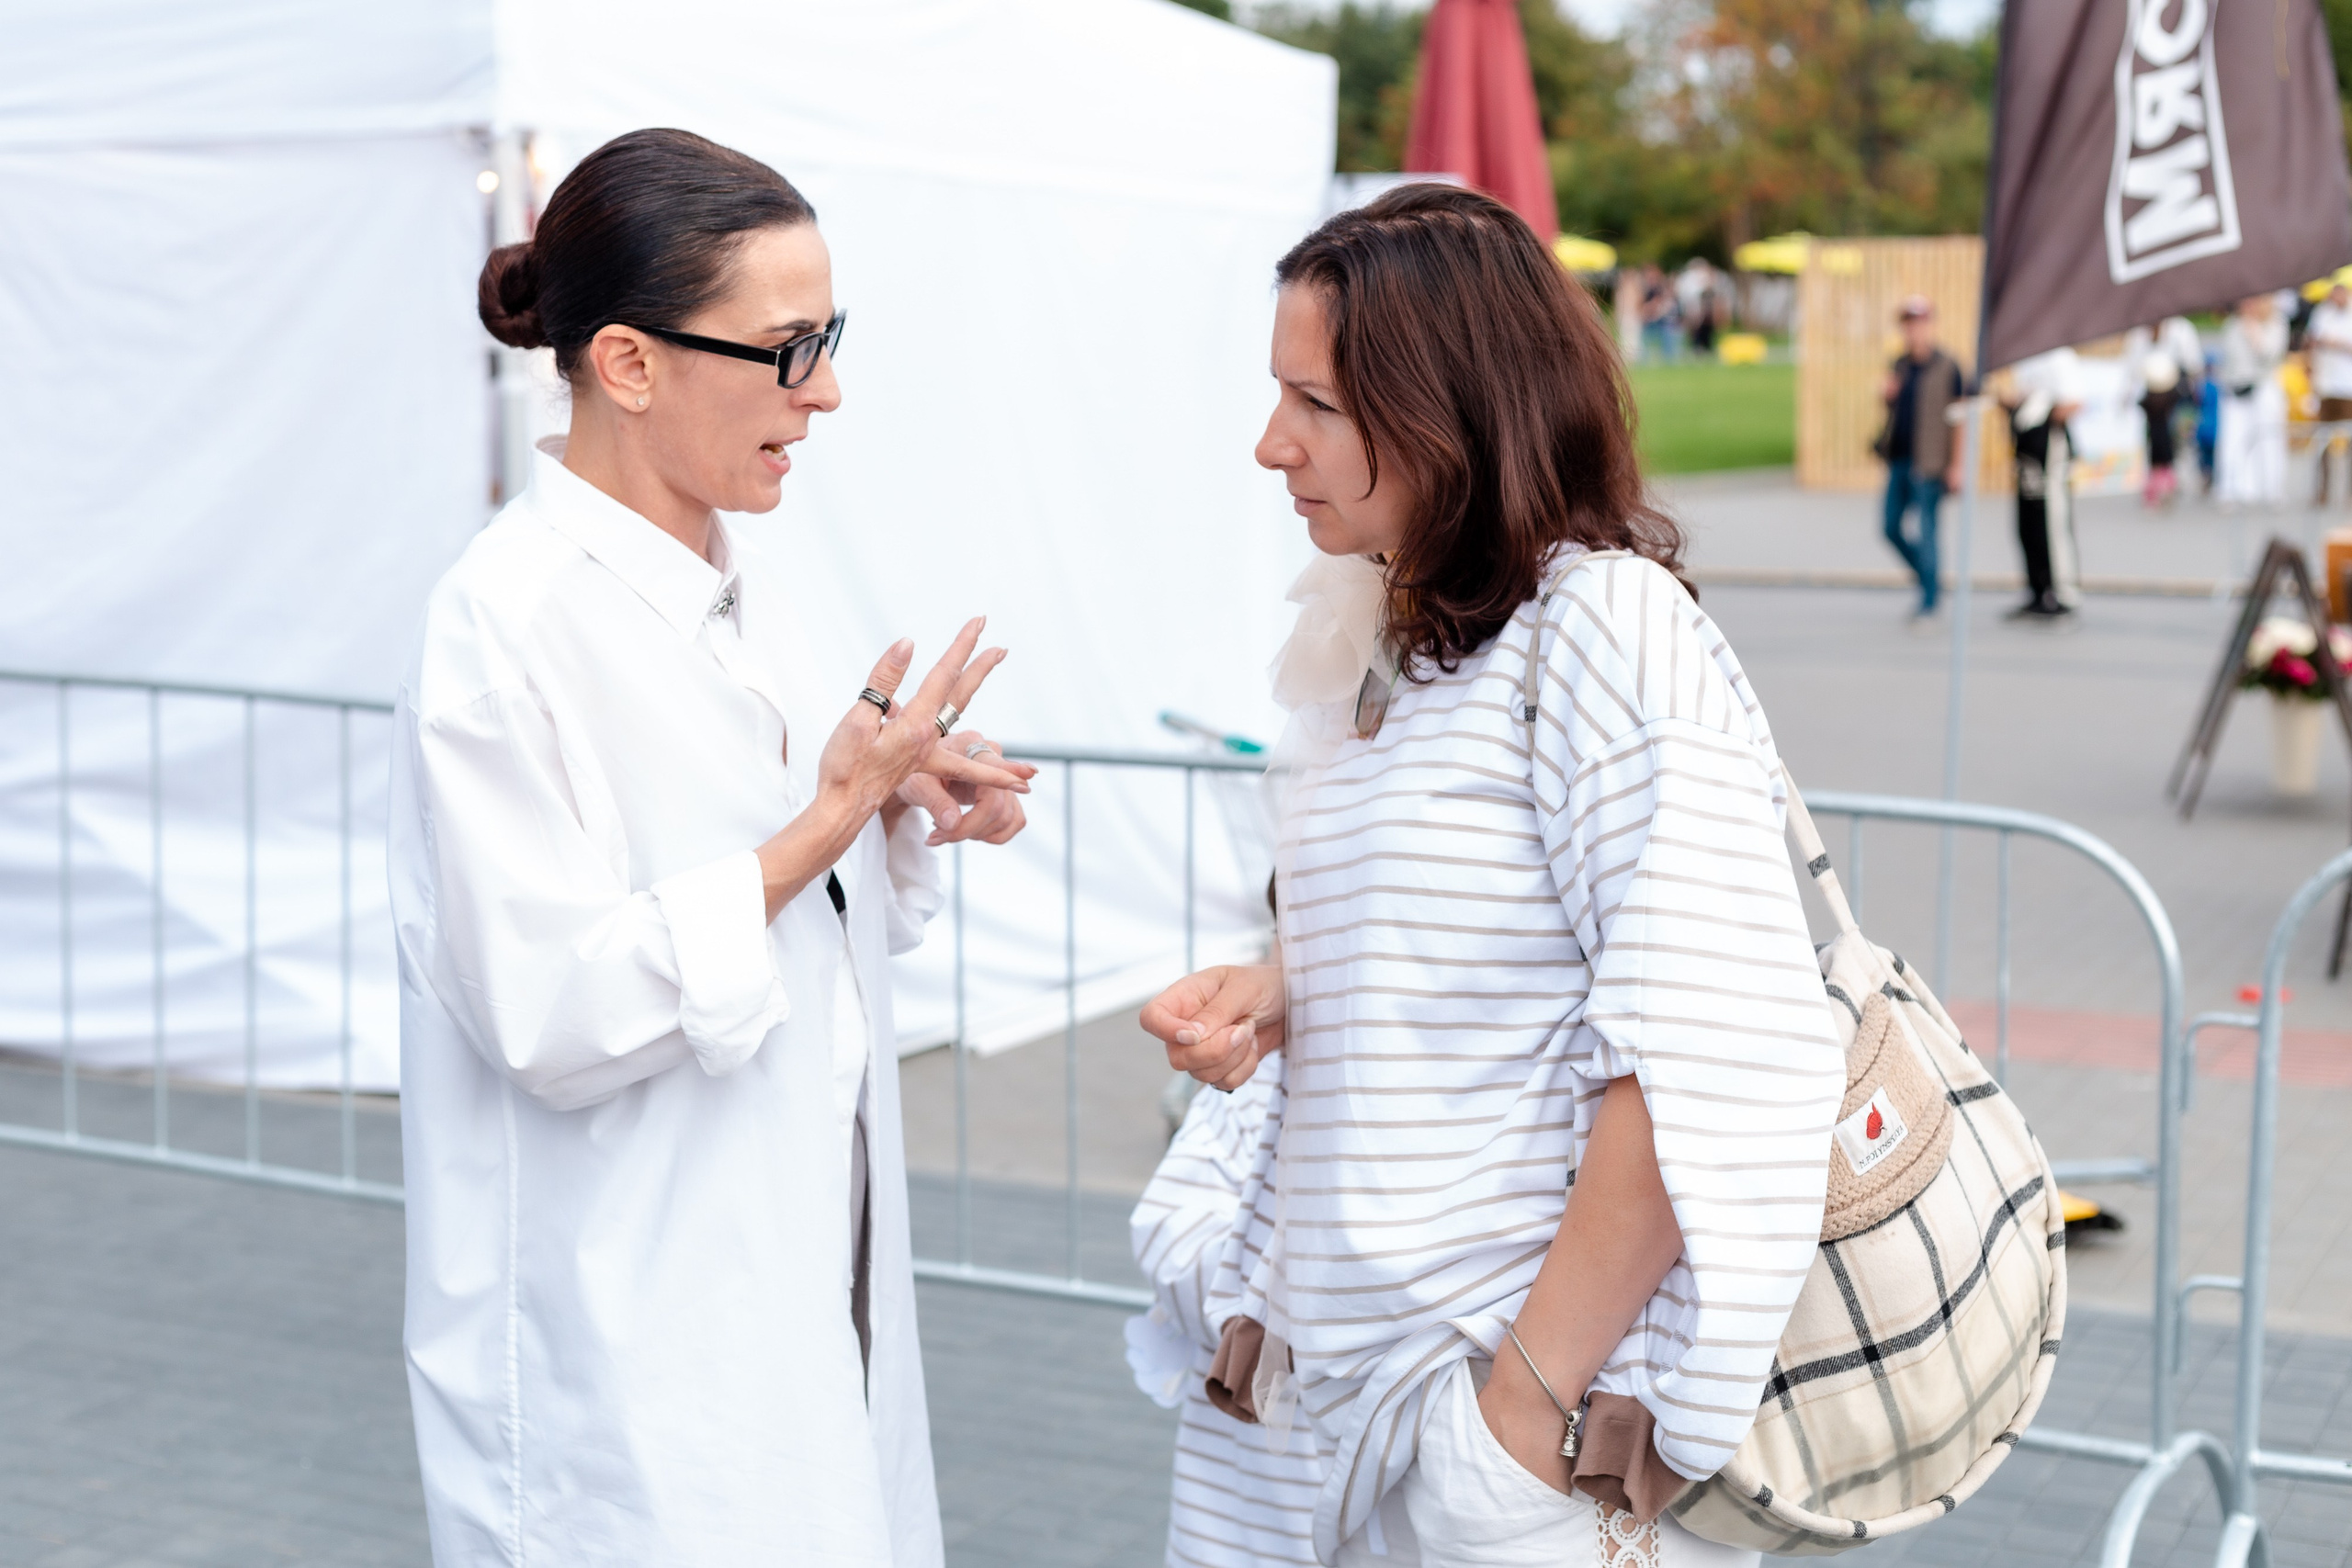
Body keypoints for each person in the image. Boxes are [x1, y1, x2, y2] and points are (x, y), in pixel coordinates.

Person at [1141, 184, 1840, 1568]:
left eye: (1316, 404)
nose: (1270, 444)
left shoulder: (1601, 629)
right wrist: (1287, 989)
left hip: (1488, 1431)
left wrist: (1518, 1413)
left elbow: (1704, 1047)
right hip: (1326, 1401)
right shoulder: (1384, 629)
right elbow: (1500, 943)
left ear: (1450, 406)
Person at [389, 128, 1035, 1566]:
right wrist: (825, 819)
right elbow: (550, 1007)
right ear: (628, 363)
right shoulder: (503, 626)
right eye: (789, 348)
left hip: (790, 1287)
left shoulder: (742, 588)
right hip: (623, 1348)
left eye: (832, 337)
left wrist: (898, 809)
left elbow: (793, 911)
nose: (828, 389)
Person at [1874, 297, 1965, 620]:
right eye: (1909, 324)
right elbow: (1894, 411)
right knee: (1889, 527)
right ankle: (1930, 579)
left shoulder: (1947, 366)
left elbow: (1959, 419)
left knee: (1928, 531)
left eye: (1920, 323)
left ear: (1930, 325)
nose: (1914, 331)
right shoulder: (1899, 364)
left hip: (1930, 463)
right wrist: (1886, 397)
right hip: (1899, 459)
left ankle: (1929, 598)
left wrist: (1956, 465)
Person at [2001, 348, 2084, 621]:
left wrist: (2041, 410)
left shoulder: (2060, 357)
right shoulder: (2026, 358)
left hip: (2050, 452)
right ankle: (2037, 589)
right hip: (2027, 455)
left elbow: (2074, 403)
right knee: (2028, 524)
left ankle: (2064, 594)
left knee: (2053, 523)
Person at [2215, 292, 2290, 506]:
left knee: (2268, 439)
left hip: (2263, 387)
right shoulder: (2232, 325)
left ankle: (2272, 488)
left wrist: (2254, 331)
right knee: (2233, 440)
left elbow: (2270, 354)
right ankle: (2234, 488)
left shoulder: (2275, 323)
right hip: (2236, 390)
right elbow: (2228, 360)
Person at [2307, 282, 2352, 504]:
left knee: (2349, 442)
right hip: (2325, 385)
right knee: (2322, 441)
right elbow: (2311, 341)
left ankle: (2349, 492)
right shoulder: (2322, 314)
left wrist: (2338, 344)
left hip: (2348, 387)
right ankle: (2322, 491)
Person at [2140, 347, 2182, 508]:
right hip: (2165, 439)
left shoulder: (2148, 400)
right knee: (2166, 467)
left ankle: (2156, 495)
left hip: (2155, 439)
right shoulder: (2170, 398)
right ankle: (2165, 492)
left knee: (2156, 468)